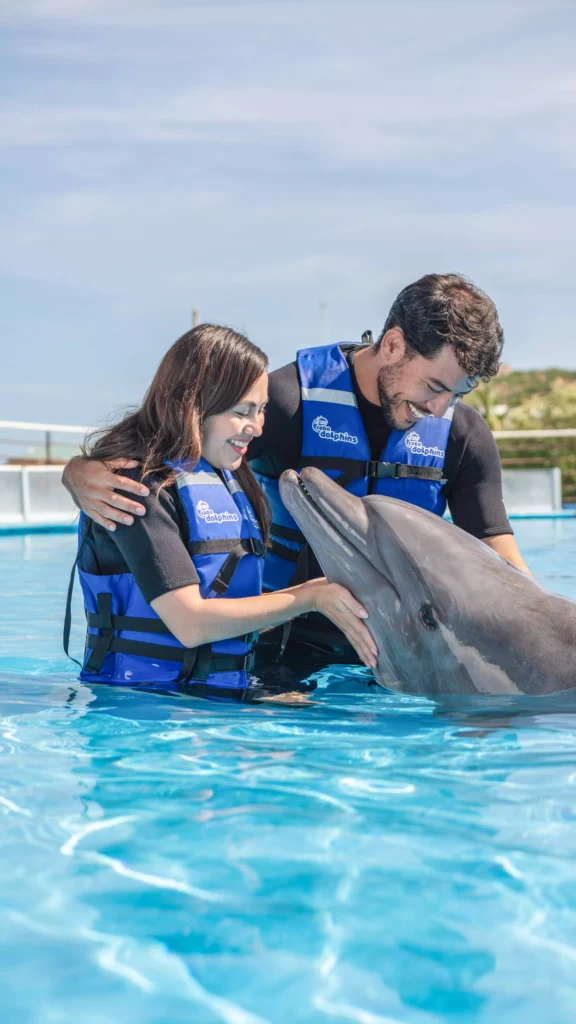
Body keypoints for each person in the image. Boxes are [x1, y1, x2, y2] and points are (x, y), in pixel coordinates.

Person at [63, 273, 529, 670]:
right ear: (392, 344)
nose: (439, 408)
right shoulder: (287, 402)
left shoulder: (461, 436)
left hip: (407, 652)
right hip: (280, 647)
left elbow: (503, 565)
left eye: (456, 394)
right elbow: (167, 439)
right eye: (433, 386)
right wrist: (79, 472)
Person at [64, 324, 376, 700]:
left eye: (261, 411)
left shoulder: (228, 478)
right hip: (141, 705)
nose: (257, 428)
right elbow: (190, 623)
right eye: (243, 411)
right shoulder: (138, 488)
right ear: (194, 406)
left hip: (209, 697)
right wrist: (310, 596)